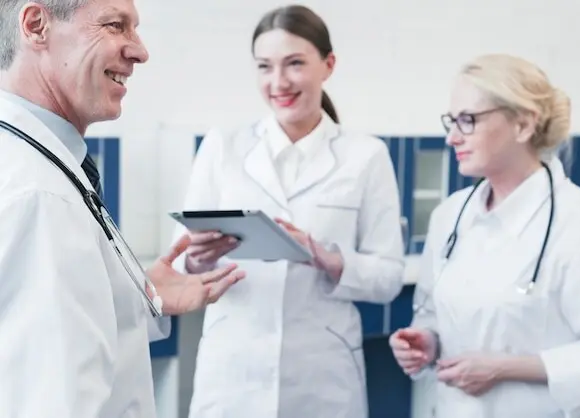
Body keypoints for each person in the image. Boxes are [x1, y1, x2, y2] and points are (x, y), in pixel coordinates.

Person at [0, 0, 245, 416]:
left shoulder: (41, 164)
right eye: (116, 25)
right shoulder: (40, 196)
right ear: (37, 25)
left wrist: (136, 296)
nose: (140, 51)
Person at [173, 4, 405, 418]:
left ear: (328, 65)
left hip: (322, 374)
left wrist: (325, 257)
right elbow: (180, 261)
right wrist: (197, 258)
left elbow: (388, 278)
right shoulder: (222, 147)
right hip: (233, 372)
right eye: (265, 66)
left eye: (295, 63)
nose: (278, 82)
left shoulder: (366, 156)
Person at [389, 53, 580, 418]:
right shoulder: (449, 217)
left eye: (468, 120)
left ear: (523, 125)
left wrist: (505, 368)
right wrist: (427, 342)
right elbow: (432, 315)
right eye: (451, 121)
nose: (452, 137)